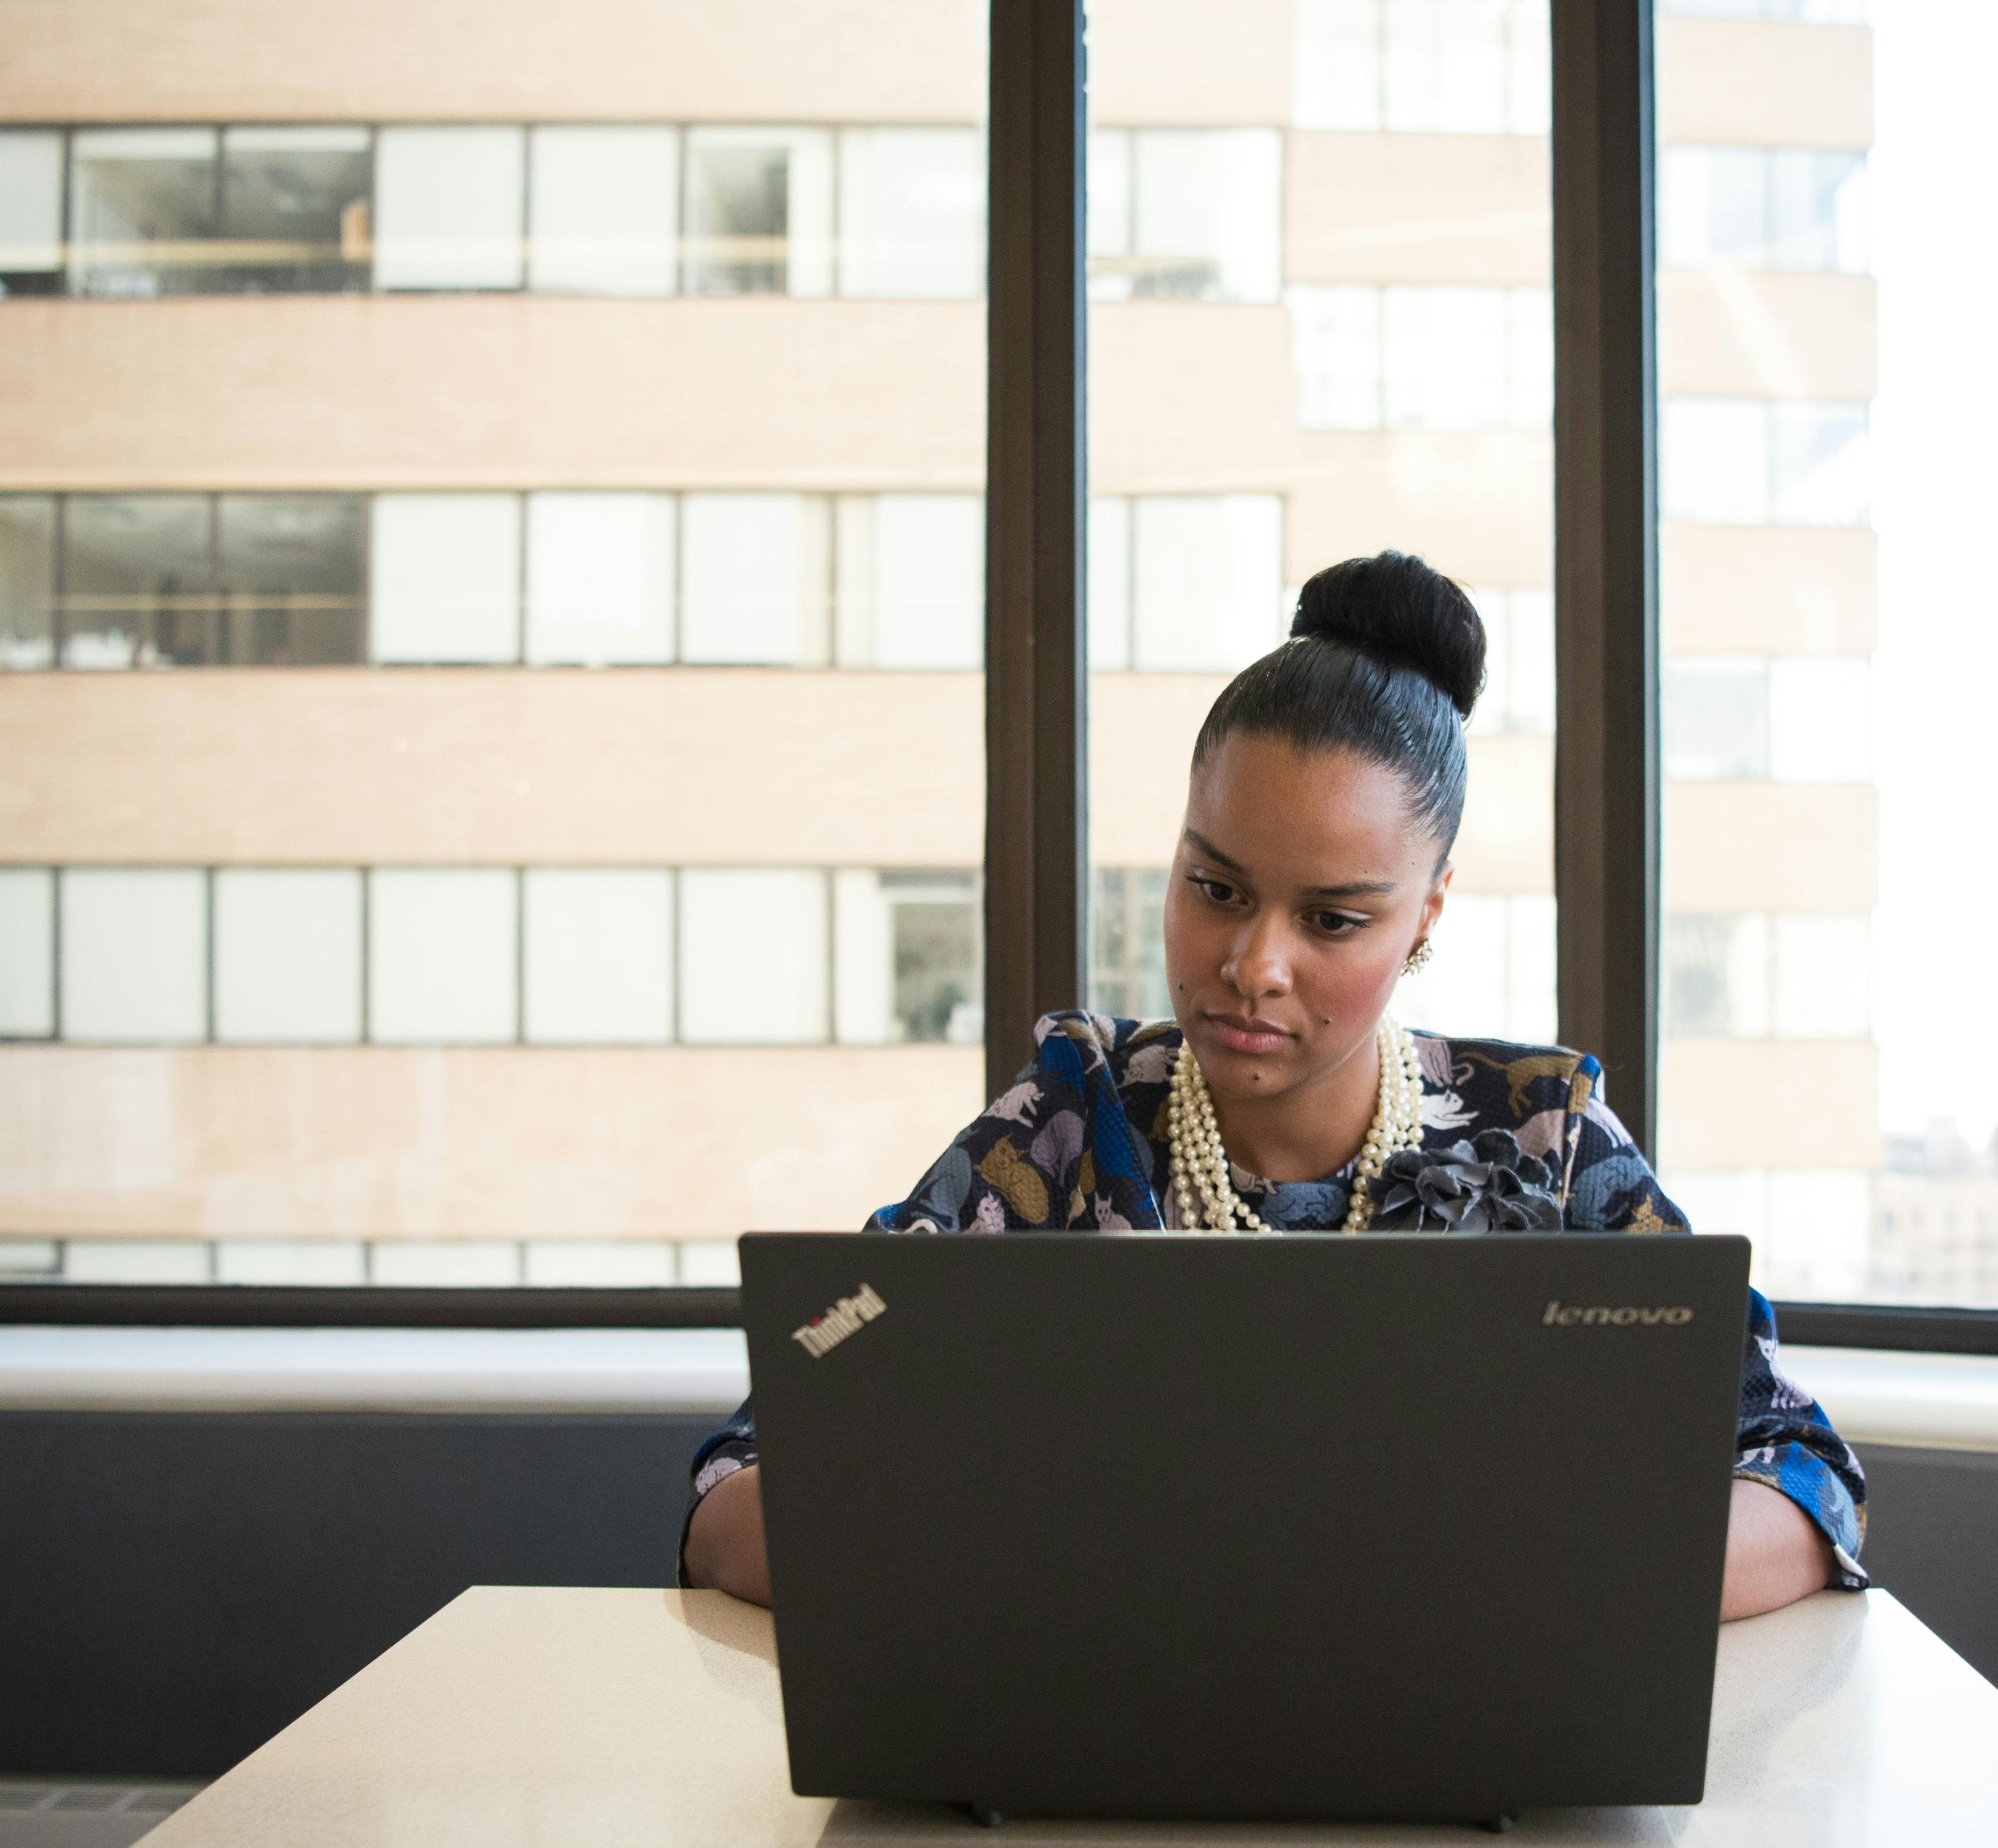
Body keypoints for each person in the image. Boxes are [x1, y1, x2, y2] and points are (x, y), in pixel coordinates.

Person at [683, 551, 1868, 1618]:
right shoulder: (1064, 1125)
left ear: (1427, 915)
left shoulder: (1544, 1143)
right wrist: (1032, 1552)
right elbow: (741, 1483)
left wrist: (1517, 1571)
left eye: (1334, 918)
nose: (1253, 966)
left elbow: (1801, 1477)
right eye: (1216, 888)